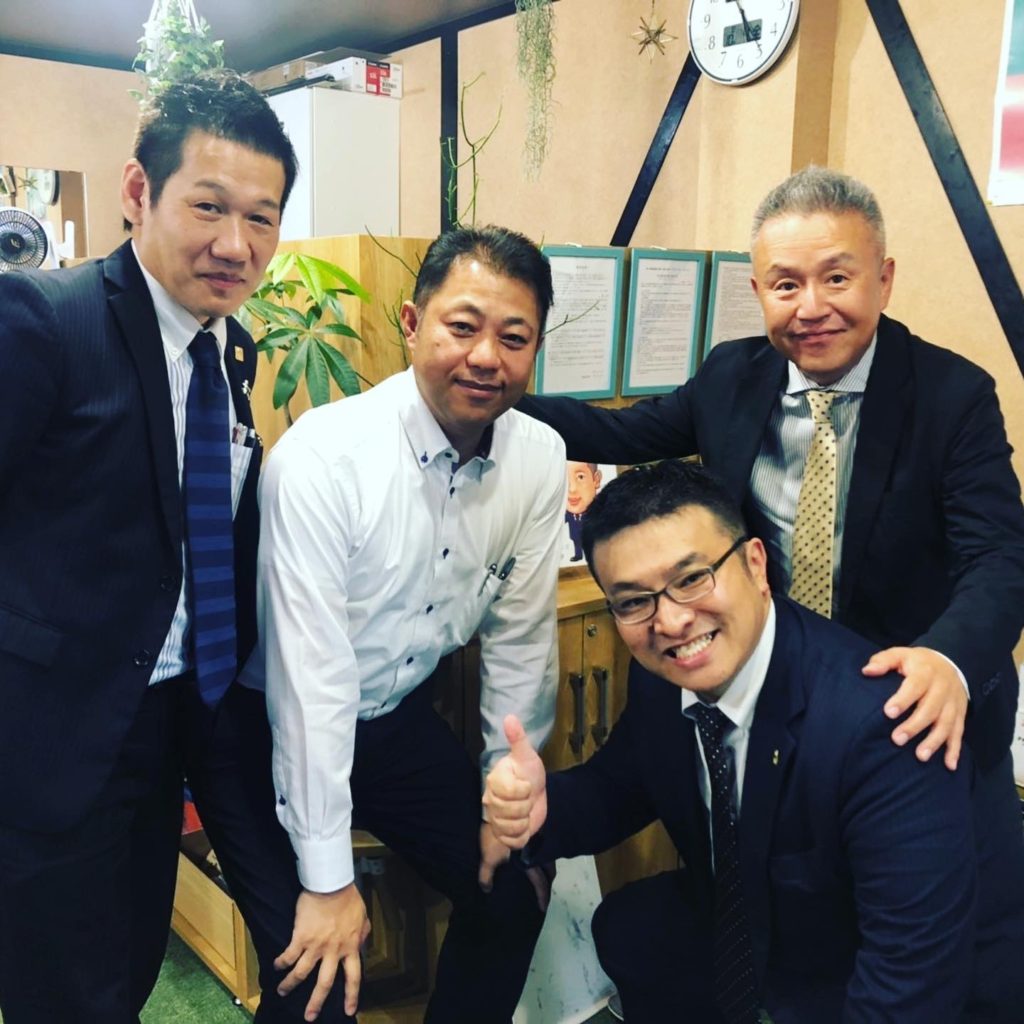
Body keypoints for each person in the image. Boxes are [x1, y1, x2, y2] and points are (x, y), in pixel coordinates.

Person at [519, 167, 1024, 1014]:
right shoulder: (734, 375)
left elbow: (1001, 556)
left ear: (883, 277)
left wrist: (949, 660)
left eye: (837, 277)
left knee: (947, 940)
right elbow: (623, 431)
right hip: (782, 688)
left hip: (911, 701)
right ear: (758, 291)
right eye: (786, 285)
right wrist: (493, 390)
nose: (811, 306)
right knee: (794, 908)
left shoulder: (952, 395)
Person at [0, 71, 353, 1023]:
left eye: (262, 218)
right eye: (208, 206)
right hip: (63, 732)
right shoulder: (43, 321)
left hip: (190, 714)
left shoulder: (229, 349)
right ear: (136, 192)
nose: (237, 244)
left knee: (136, 961)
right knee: (72, 995)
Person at [483, 460, 980, 1022]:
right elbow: (618, 788)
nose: (670, 622)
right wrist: (538, 807)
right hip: (746, 924)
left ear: (755, 565)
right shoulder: (661, 678)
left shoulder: (883, 725)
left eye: (692, 578)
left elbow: (911, 974)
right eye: (633, 601)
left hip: (842, 969)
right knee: (631, 928)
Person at [247, 224, 567, 1022]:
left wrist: (504, 796)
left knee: (515, 889)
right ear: (412, 323)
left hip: (392, 721)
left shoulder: (537, 458)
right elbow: (310, 684)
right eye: (463, 326)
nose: (486, 357)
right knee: (314, 973)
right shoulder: (324, 458)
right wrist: (327, 882)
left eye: (514, 337)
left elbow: (521, 641)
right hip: (265, 724)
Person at [565, 460, 602, 561]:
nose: (572, 489)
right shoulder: (568, 513)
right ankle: (578, 555)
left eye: (580, 477)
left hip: (590, 534)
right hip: (575, 534)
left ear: (596, 480)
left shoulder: (596, 509)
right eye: (565, 479)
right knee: (577, 543)